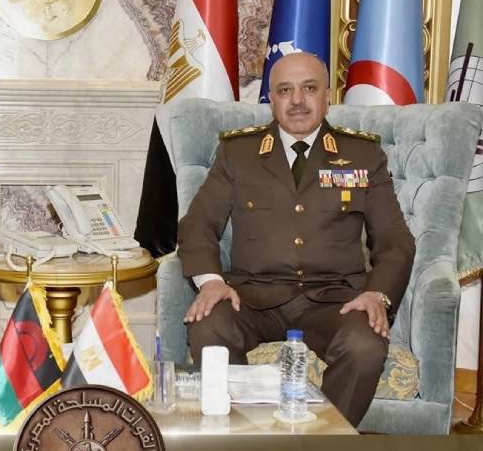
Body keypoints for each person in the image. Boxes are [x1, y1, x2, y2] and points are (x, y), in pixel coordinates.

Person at [177, 52, 415, 426]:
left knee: (365, 346)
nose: (298, 100)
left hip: (335, 301)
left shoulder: (362, 154)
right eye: (285, 90)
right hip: (253, 299)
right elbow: (198, 225)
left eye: (309, 88)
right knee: (208, 326)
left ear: (327, 96)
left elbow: (395, 238)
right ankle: (245, 441)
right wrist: (211, 282)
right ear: (271, 99)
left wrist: (377, 295)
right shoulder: (238, 153)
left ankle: (319, 448)